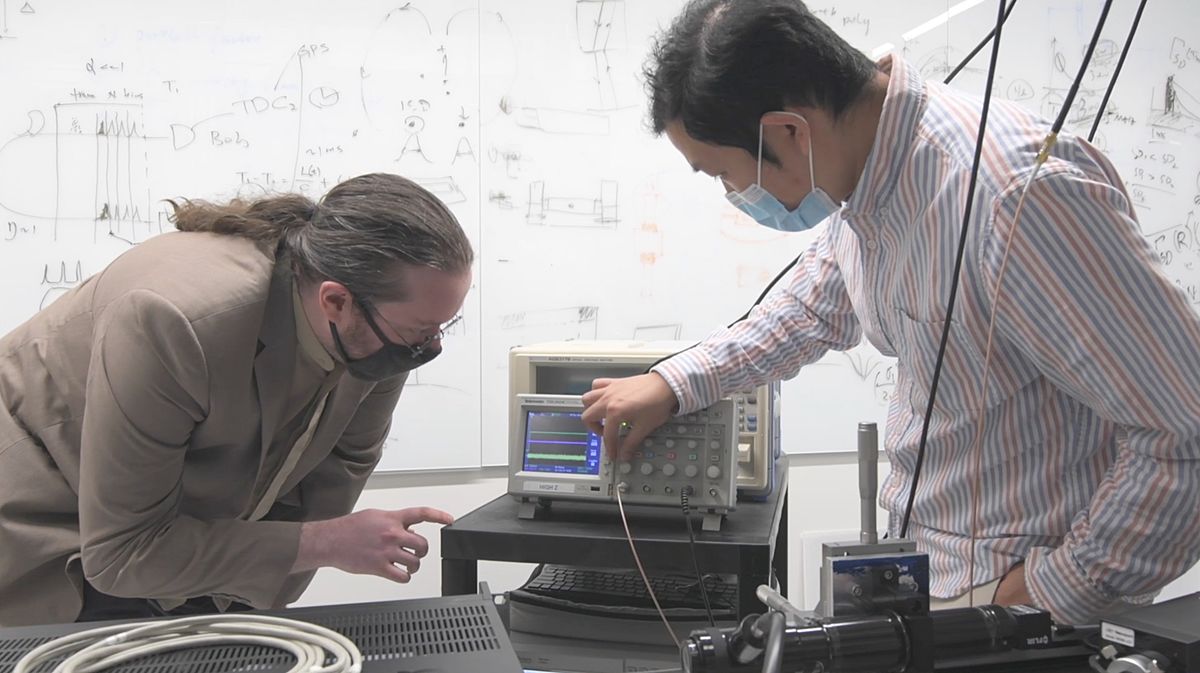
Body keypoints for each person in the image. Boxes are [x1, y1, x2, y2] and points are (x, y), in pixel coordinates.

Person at [581, 0, 1200, 625]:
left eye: (723, 174)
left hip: (1017, 598)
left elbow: (1185, 433)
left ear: (791, 132)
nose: (733, 196)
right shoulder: (865, 180)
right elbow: (807, 308)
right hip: (931, 567)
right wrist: (672, 382)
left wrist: (1052, 591)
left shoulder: (1011, 199)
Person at [0, 173, 473, 626]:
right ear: (335, 301)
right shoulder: (176, 320)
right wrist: (326, 542)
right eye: (418, 332)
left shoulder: (377, 336)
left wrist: (255, 602)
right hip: (44, 513)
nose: (429, 348)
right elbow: (122, 555)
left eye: (439, 328)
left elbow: (336, 473)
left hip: (153, 532)